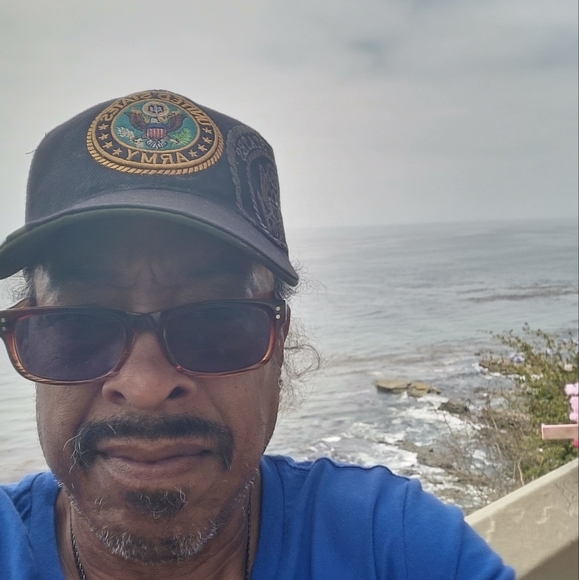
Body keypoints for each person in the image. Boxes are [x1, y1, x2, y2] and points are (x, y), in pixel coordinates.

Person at [0, 89, 514, 580]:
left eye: (215, 324)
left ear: (279, 347)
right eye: (80, 326)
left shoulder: (397, 547)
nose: (145, 386)